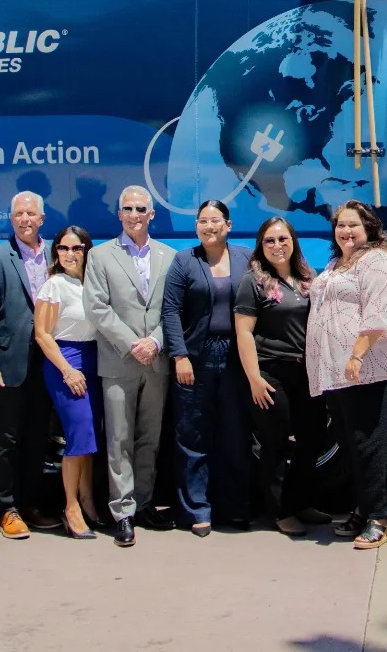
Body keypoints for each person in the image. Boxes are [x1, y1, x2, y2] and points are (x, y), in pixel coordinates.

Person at [305, 200, 387, 549]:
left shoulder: (379, 261)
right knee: (350, 445)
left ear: (370, 228)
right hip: (336, 371)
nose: (346, 231)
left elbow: (378, 315)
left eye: (353, 225)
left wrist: (357, 357)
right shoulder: (338, 262)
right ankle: (364, 509)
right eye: (340, 225)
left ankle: (380, 516)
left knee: (370, 444)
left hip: (366, 370)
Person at [84, 186, 177, 547]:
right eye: (128, 208)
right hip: (120, 360)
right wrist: (131, 344)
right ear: (119, 214)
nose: (135, 214)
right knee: (118, 439)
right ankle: (122, 511)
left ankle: (145, 503)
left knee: (149, 439)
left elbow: (173, 307)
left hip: (156, 360)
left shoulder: (169, 256)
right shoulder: (100, 255)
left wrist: (154, 341)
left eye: (141, 208)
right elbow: (97, 307)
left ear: (152, 213)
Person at [234, 217, 331, 536]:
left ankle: (301, 502)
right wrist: (254, 378)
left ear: (293, 242)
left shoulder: (306, 277)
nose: (277, 246)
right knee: (275, 444)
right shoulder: (254, 281)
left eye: (283, 239)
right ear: (261, 246)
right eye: (269, 241)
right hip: (270, 371)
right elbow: (244, 333)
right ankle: (280, 511)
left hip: (306, 372)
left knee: (311, 439)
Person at [0, 191, 60, 540]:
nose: (25, 219)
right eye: (18, 214)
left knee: (38, 438)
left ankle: (30, 503)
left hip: (49, 363)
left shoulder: (57, 252)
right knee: (6, 439)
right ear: (11, 219)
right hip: (10, 364)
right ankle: (7, 508)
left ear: (42, 219)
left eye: (31, 214)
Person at [162, 199, 252, 536]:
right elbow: (170, 310)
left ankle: (236, 506)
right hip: (196, 357)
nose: (209, 226)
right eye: (203, 221)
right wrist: (180, 355)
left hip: (234, 355)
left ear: (228, 225)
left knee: (235, 432)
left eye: (216, 221)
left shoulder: (245, 258)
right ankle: (197, 509)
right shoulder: (184, 261)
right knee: (191, 434)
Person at [34, 225, 105, 540]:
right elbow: (42, 335)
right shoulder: (54, 286)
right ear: (56, 251)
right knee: (77, 435)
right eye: (64, 248)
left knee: (90, 436)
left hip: (93, 358)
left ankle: (88, 499)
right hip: (66, 360)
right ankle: (71, 507)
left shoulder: (91, 283)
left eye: (77, 249)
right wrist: (67, 370)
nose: (70, 254)